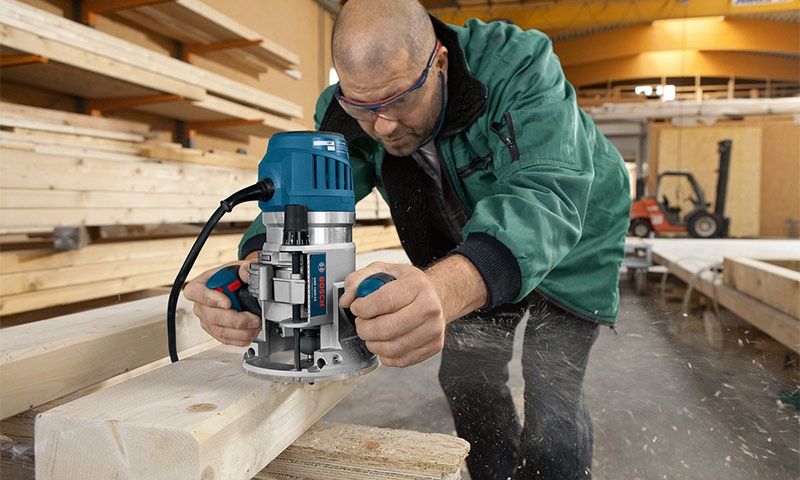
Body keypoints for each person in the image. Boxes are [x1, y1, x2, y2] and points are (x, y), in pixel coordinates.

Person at [184, 0, 631, 478]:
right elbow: (313, 195)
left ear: (439, 62)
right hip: (474, 239)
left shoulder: (517, 66)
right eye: (363, 107)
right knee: (468, 377)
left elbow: (547, 194)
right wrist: (260, 263)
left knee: (551, 391)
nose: (382, 125)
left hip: (573, 238)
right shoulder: (349, 112)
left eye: (398, 100)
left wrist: (443, 288)